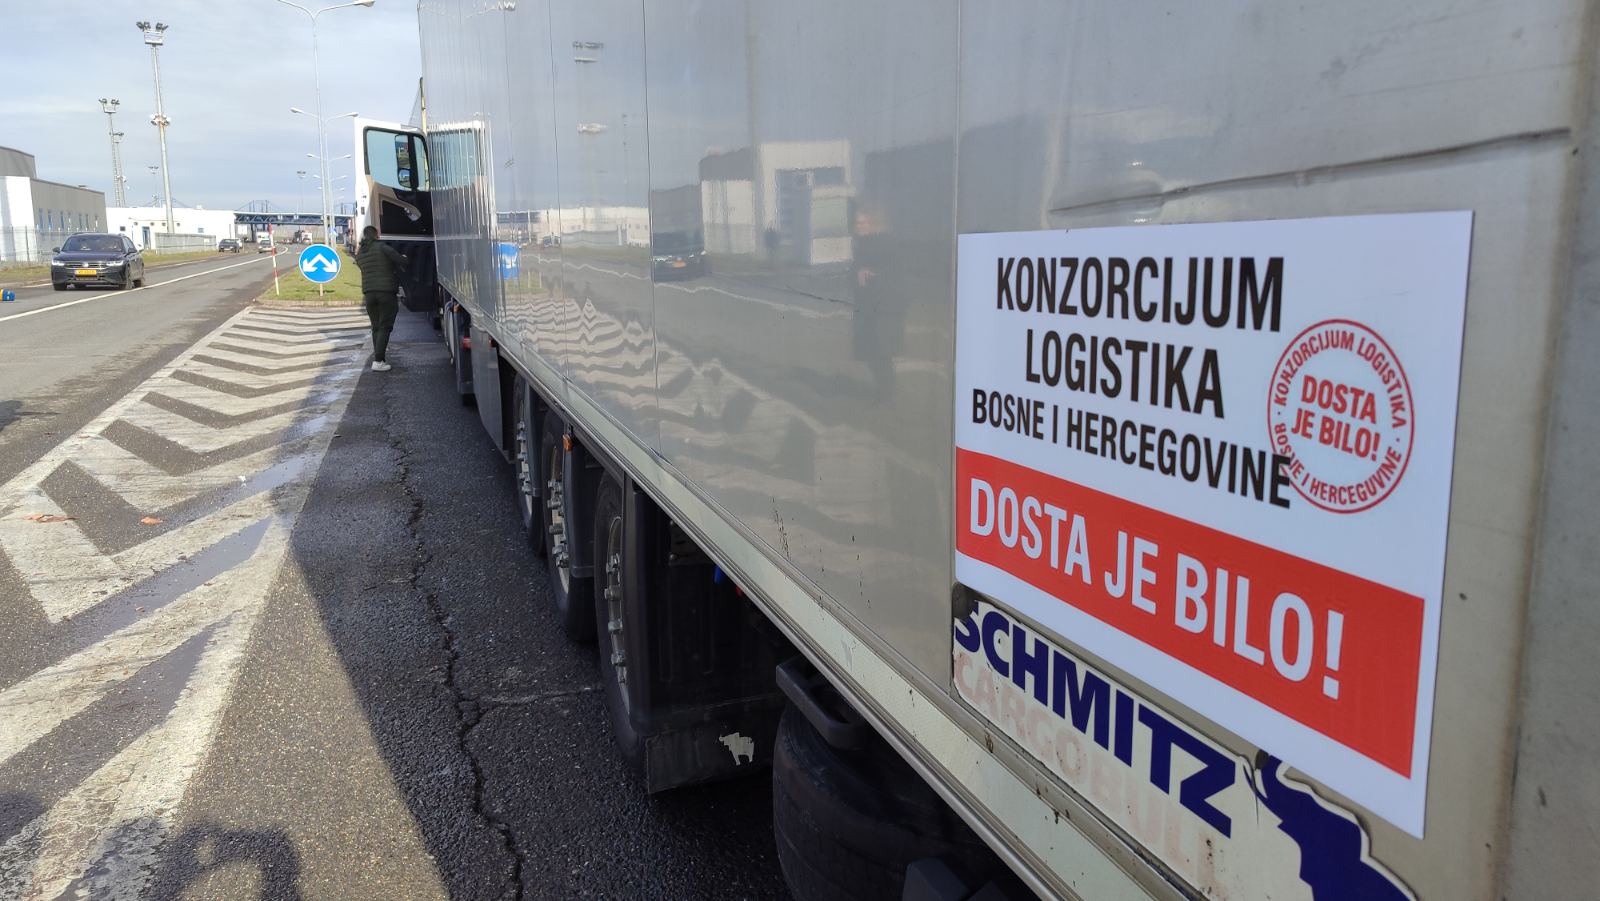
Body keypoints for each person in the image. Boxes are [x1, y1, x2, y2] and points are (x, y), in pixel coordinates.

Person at [355, 226, 408, 371]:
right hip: (385, 292)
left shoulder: (361, 253)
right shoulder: (382, 247)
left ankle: (380, 357)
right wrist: (405, 258)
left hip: (369, 293)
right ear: (376, 235)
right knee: (385, 326)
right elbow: (401, 260)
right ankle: (378, 361)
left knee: (376, 327)